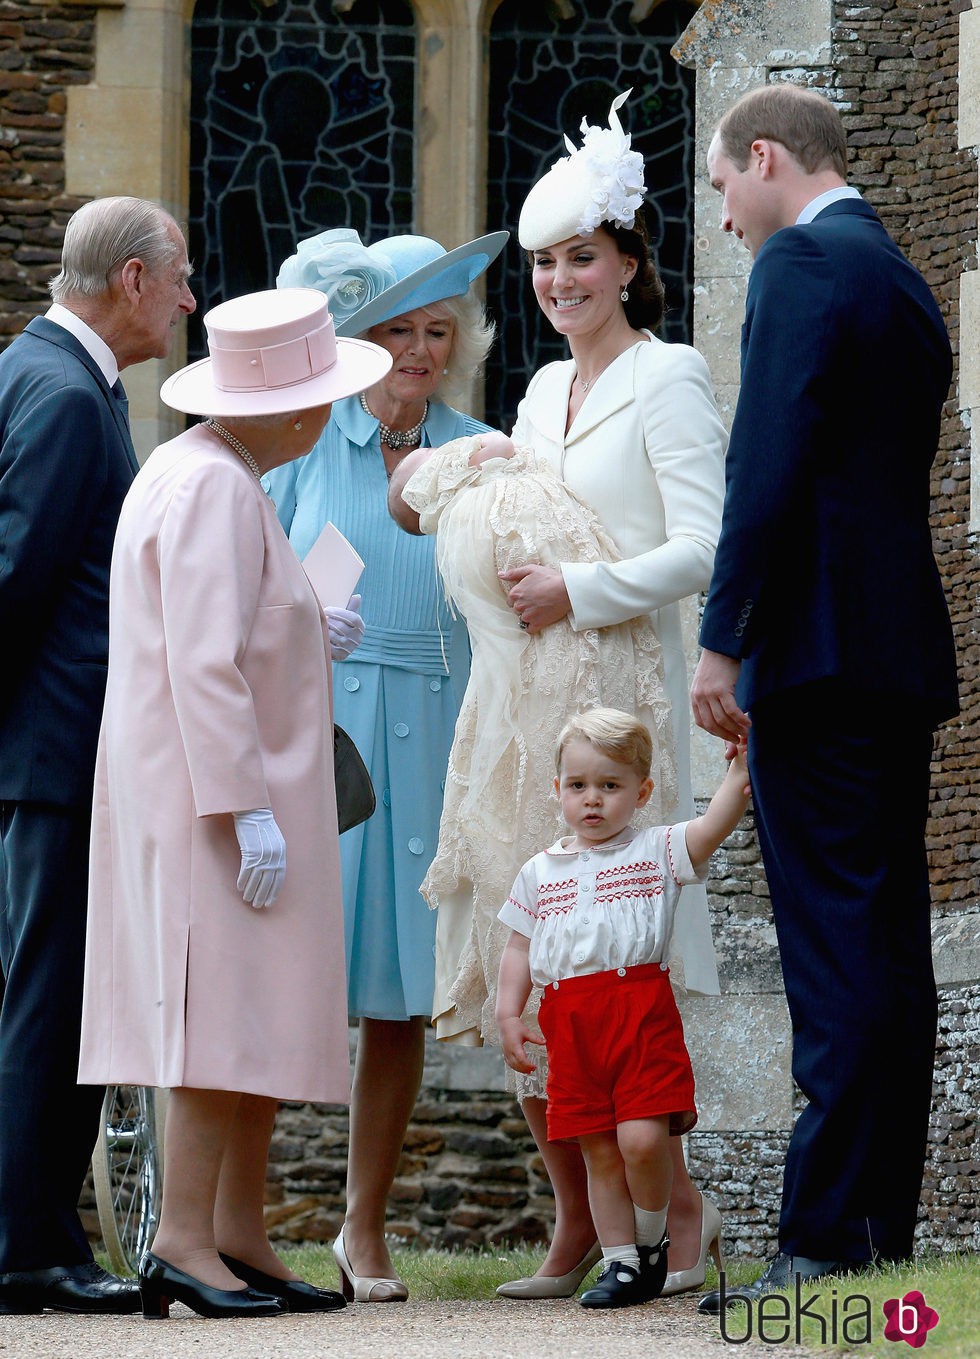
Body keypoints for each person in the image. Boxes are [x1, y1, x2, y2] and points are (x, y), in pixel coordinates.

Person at [391, 91, 727, 1298]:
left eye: (579, 256)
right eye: (541, 263)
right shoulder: (535, 395)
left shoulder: (670, 377)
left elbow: (703, 545)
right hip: (514, 698)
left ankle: (672, 1220)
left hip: (610, 697)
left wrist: (577, 589)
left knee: (606, 969)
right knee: (522, 959)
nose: (557, 281)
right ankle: (574, 1227)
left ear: (629, 261)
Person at [690, 84, 959, 1307]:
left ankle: (819, 1245)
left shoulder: (800, 263)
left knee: (834, 947)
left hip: (813, 648)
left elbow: (766, 458)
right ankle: (872, 1233)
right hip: (893, 650)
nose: (724, 212)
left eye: (722, 186)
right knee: (885, 944)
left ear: (763, 158)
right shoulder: (898, 276)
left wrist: (720, 636)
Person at [76, 287, 392, 1319]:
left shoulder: (210, 473)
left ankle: (237, 1230)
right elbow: (203, 665)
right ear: (284, 407)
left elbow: (233, 624)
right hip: (216, 797)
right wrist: (242, 805)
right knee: (215, 1013)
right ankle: (180, 1240)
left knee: (250, 1011)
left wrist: (308, 623)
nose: (325, 416)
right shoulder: (211, 485)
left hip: (229, 788)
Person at [266, 226, 506, 1302]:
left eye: (436, 330)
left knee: (401, 1003)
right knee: (279, 981)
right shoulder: (305, 445)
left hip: (447, 737)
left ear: (459, 342)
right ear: (361, 337)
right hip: (324, 739)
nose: (417, 349)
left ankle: (361, 1233)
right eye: (397, 328)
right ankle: (235, 1218)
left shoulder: (482, 450)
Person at [0, 197, 195, 1316]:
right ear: (130, 280)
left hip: (40, 753)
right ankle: (30, 1246)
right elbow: (19, 578)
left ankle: (26, 1231)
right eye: (176, 281)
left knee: (34, 996)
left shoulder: (34, 370)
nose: (185, 302)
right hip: (55, 754)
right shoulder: (71, 396)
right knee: (51, 1004)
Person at [496, 709, 749, 1309]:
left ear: (642, 792)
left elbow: (714, 824)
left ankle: (650, 1240)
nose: (593, 800)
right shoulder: (540, 872)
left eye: (610, 786)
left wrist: (740, 773)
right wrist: (510, 1013)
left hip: (638, 1014)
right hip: (570, 1023)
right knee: (598, 1151)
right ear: (557, 790)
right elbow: (518, 946)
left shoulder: (656, 850)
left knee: (641, 1140)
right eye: (579, 786)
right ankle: (620, 1266)